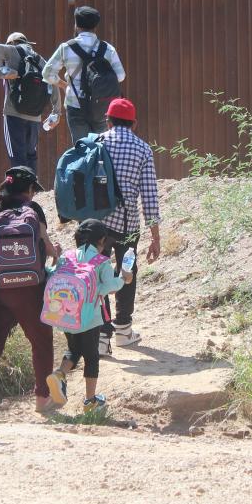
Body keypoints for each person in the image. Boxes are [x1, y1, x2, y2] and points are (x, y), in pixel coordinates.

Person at [0, 166, 60, 423]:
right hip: (30, 289)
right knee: (41, 342)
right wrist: (56, 251)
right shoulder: (33, 211)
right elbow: (48, 247)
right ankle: (43, 399)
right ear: (29, 189)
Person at [96, 98, 162, 354]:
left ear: (108, 120)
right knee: (127, 272)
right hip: (128, 226)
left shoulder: (96, 142)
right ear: (134, 124)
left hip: (96, 225)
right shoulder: (143, 149)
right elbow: (149, 196)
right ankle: (123, 330)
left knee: (98, 275)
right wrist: (155, 236)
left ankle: (101, 337)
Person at [45, 219, 129, 413]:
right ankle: (90, 401)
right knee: (91, 357)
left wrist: (52, 261)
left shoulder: (67, 256)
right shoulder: (101, 261)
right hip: (90, 318)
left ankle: (59, 375)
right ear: (101, 240)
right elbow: (109, 287)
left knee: (74, 350)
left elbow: (52, 275)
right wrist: (123, 278)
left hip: (65, 316)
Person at [43, 6, 126, 143]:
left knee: (81, 148)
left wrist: (64, 85)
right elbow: (121, 76)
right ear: (95, 26)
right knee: (101, 148)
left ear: (76, 25)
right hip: (101, 106)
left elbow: (47, 73)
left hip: (76, 105)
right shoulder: (107, 49)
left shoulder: (66, 48)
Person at [0, 32, 60, 171]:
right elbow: (54, 82)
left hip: (13, 114)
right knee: (31, 155)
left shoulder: (12, 50)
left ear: (11, 43)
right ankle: (31, 188)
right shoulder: (39, 60)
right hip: (35, 116)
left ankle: (20, 189)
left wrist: (1, 72)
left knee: (16, 155)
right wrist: (56, 112)